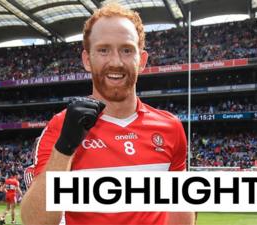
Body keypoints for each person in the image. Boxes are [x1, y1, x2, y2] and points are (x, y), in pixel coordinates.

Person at [21, 3, 194, 225]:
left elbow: (179, 210)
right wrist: (65, 148)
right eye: (103, 50)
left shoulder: (170, 128)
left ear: (141, 60)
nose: (115, 62)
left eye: (126, 50)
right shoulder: (61, 126)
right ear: (87, 60)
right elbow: (35, 221)